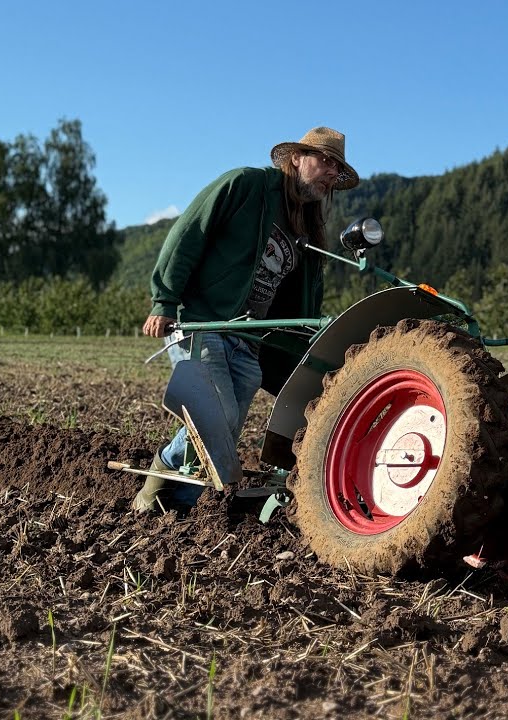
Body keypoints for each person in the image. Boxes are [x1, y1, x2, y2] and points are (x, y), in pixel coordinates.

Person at [133, 127, 360, 514]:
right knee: (213, 414)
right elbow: (189, 232)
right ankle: (159, 482)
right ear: (296, 159)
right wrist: (164, 300)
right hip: (204, 321)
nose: (330, 173)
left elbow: (301, 301)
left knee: (228, 425)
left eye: (336, 168)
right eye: (325, 161)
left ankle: (179, 509)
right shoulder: (245, 186)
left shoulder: (305, 229)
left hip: (245, 337)